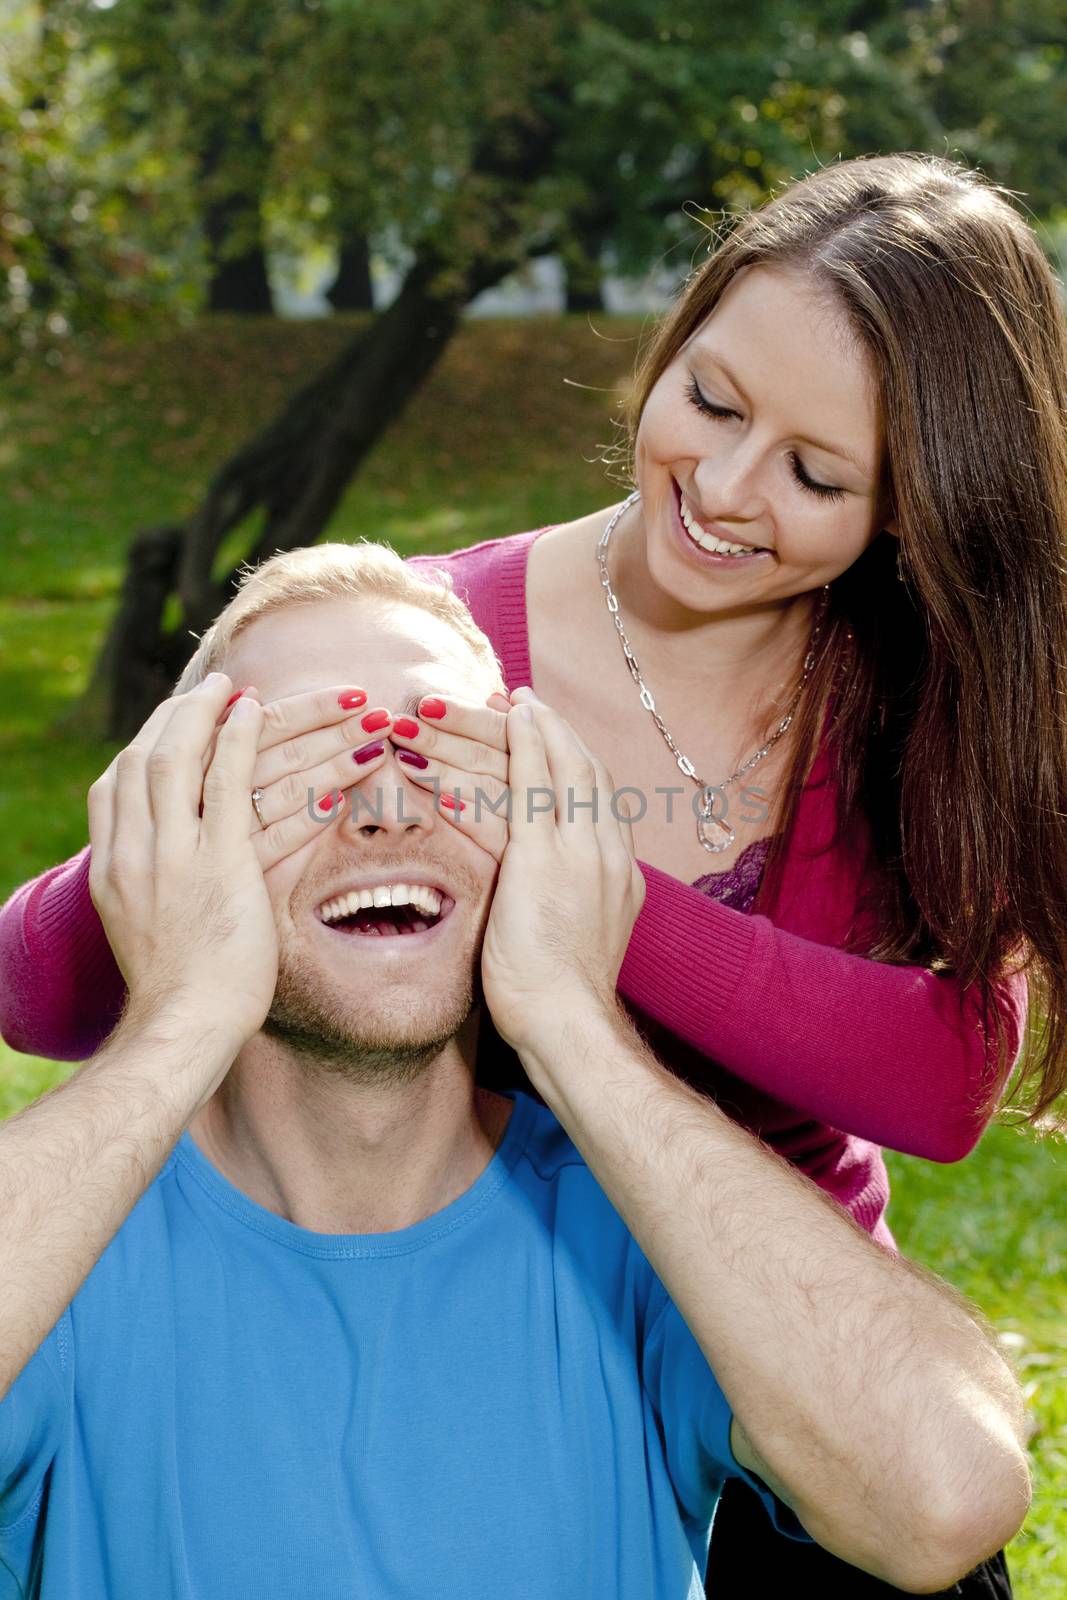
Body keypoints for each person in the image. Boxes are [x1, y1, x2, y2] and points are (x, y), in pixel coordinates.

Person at [2, 152, 1064, 1594]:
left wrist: (586, 922)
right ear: (671, 342)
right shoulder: (426, 650)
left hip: (761, 1334)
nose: (727, 488)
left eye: (817, 475)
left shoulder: (923, 706)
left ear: (913, 513)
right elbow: (42, 983)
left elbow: (945, 1086)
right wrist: (213, 799)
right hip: (499, 1307)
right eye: (710, 399)